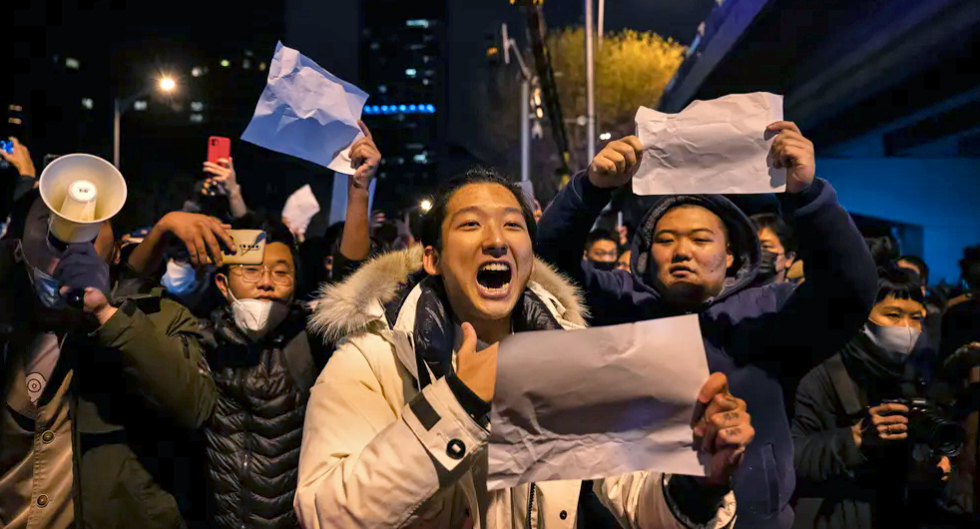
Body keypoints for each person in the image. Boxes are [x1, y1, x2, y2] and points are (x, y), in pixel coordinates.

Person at [297, 168, 753, 528]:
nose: (496, 240)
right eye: (471, 223)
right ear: (432, 258)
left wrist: (701, 483)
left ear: (529, 257)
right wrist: (458, 404)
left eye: (513, 225)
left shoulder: (570, 358)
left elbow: (635, 497)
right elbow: (326, 514)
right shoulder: (371, 360)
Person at [536, 122, 878, 528]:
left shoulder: (771, 313)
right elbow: (547, 273)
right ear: (647, 253)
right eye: (666, 240)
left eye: (700, 239)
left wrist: (806, 196)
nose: (682, 251)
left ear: (731, 254)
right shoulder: (619, 303)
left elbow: (850, 288)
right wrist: (591, 190)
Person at [193, 121, 380, 529]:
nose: (265, 282)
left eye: (280, 272)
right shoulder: (197, 341)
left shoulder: (309, 341)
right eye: (252, 271)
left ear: (296, 283)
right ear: (223, 284)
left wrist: (358, 191)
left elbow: (352, 288)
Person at [0, 194, 217, 529]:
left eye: (90, 223)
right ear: (17, 246)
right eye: (52, 219)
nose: (72, 231)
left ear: (116, 252)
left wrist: (106, 314)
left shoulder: (158, 319)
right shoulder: (9, 325)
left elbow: (195, 406)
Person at [791, 265, 954, 529]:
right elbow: (790, 456)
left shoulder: (911, 377)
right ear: (859, 318)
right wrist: (854, 439)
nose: (907, 328)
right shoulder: (819, 372)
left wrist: (927, 471)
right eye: (893, 314)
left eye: (915, 318)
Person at [751, 213, 797, 285]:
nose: (757, 251)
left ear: (789, 258)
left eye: (766, 246)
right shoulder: (730, 292)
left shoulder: (796, 294)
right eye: (752, 245)